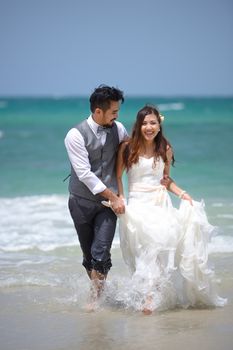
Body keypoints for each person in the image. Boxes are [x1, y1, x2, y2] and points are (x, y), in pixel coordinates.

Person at [116, 104, 227, 314]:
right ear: (138, 126)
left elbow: (165, 181)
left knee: (157, 253)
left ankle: (150, 301)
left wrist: (183, 193)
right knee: (143, 254)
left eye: (153, 123)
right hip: (137, 207)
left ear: (159, 125)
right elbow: (118, 175)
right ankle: (149, 297)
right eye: (145, 123)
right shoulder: (127, 147)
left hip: (160, 205)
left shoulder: (165, 148)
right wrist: (120, 197)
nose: (149, 127)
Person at [64, 85, 128, 304]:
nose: (117, 116)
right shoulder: (74, 135)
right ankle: (99, 291)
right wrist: (114, 196)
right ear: (98, 111)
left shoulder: (118, 129)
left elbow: (130, 151)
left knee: (101, 251)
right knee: (89, 256)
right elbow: (84, 174)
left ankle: (95, 300)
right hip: (80, 202)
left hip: (107, 205)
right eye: (114, 111)